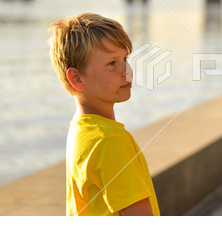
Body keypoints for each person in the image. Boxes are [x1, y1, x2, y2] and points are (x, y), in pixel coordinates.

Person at [48, 13, 160, 216]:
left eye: (125, 59)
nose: (127, 71)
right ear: (76, 77)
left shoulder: (81, 129)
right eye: (112, 64)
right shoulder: (110, 141)